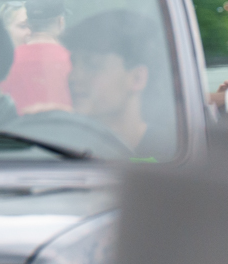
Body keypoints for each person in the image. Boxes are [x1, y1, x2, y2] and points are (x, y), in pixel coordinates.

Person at [63, 9, 172, 157]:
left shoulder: (170, 150)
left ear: (137, 78)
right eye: (73, 64)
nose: (72, 77)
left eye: (93, 65)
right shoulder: (55, 146)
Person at [0, 0, 73, 115]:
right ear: (60, 22)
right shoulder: (73, 61)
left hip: (17, 126)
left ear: (29, 24)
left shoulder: (5, 62)